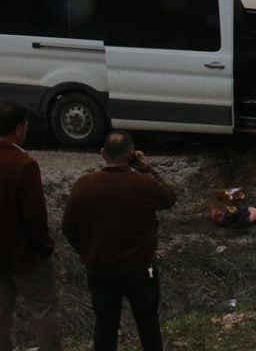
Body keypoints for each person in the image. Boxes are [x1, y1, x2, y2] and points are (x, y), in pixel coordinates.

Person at [62, 131, 176, 351]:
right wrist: (147, 168)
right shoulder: (142, 183)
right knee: (148, 325)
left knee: (105, 326)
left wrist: (87, 251)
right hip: (140, 268)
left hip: (100, 269)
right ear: (131, 154)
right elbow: (170, 198)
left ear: (103, 153)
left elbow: (69, 229)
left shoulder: (84, 185)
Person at [0, 102, 61, 351]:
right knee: (43, 308)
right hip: (24, 253)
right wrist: (44, 245)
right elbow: (34, 216)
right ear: (19, 129)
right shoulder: (24, 164)